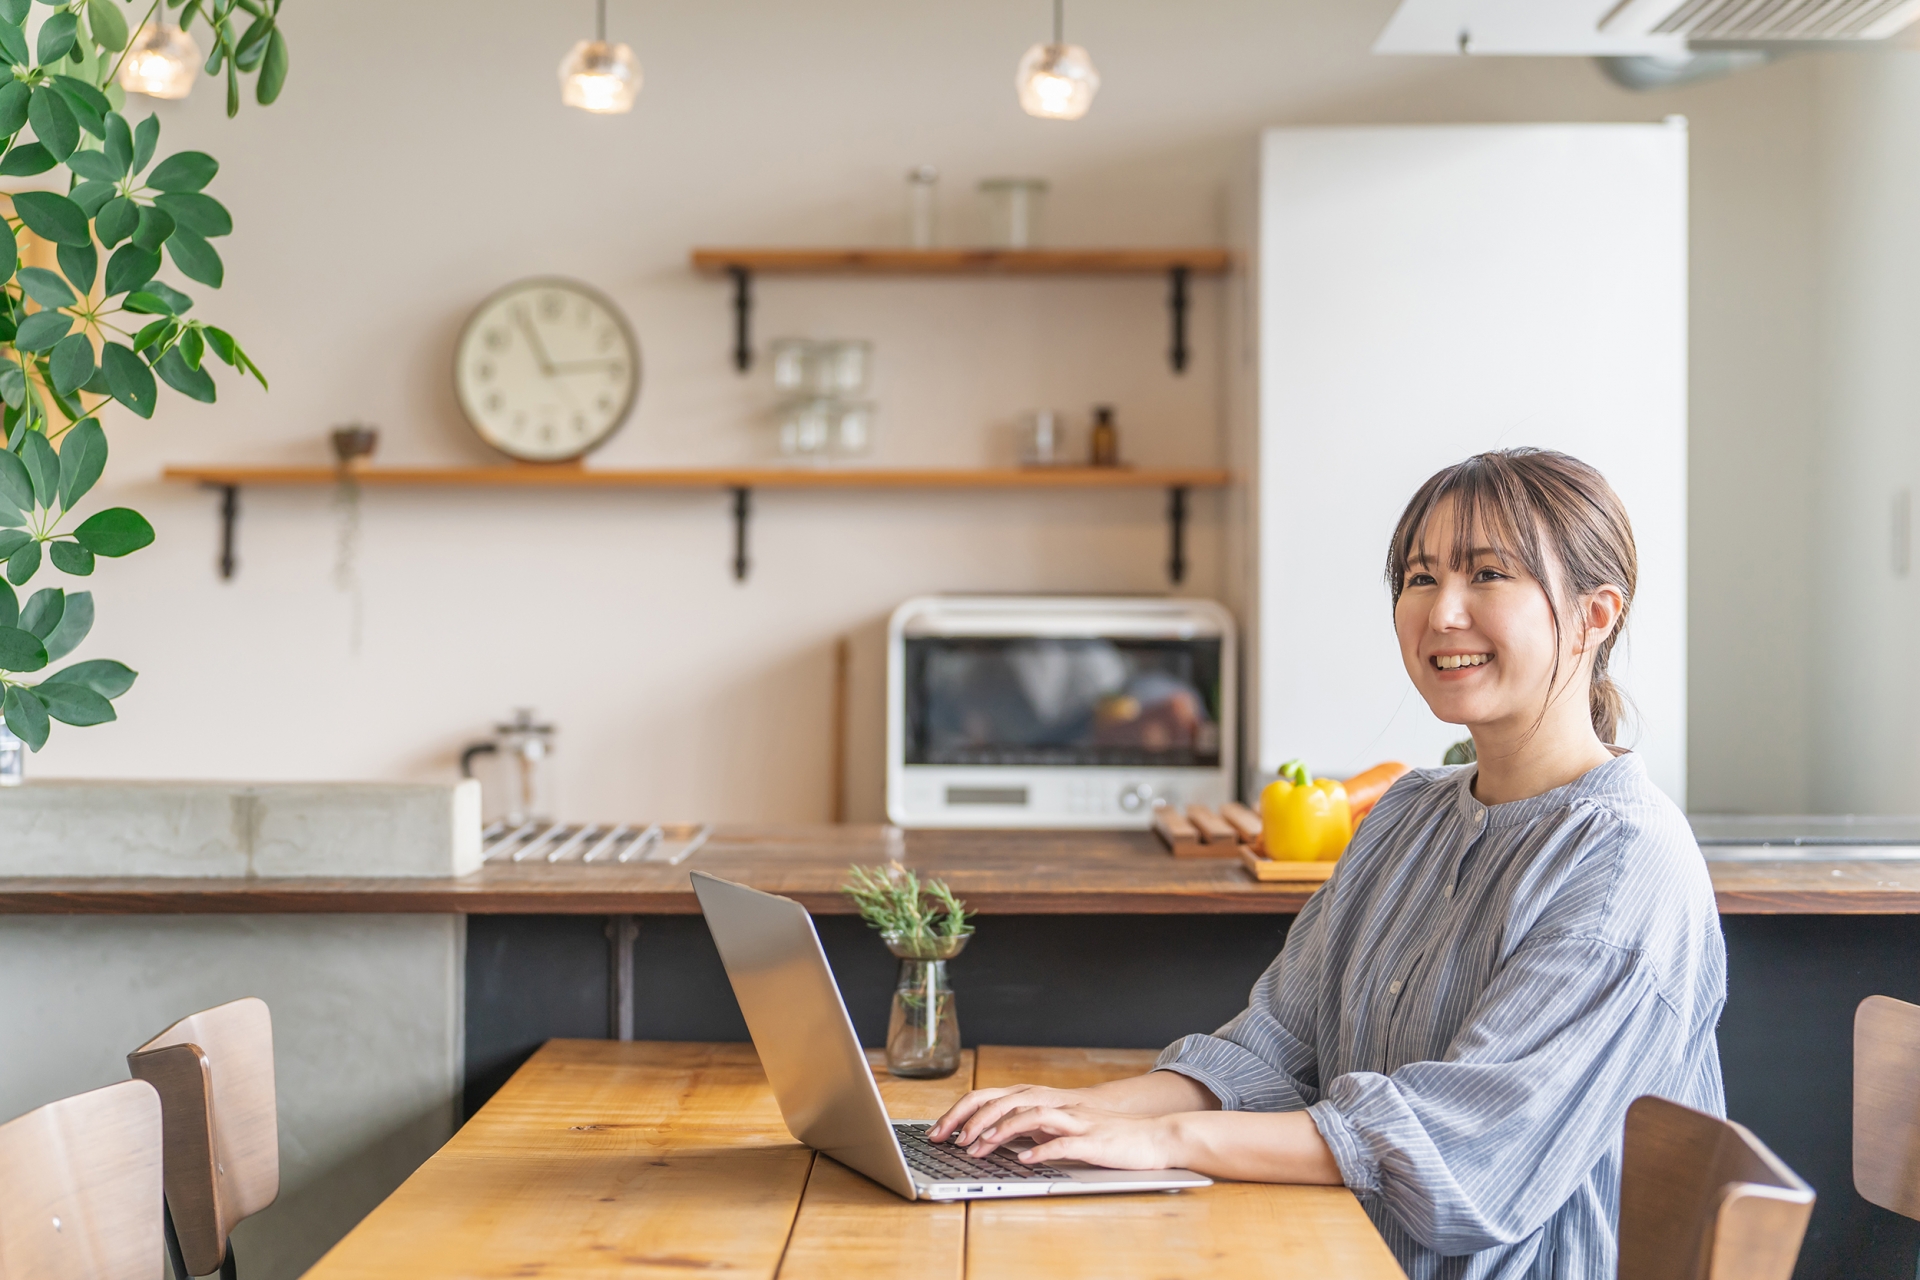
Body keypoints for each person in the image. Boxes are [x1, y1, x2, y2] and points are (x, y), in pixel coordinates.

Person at [929, 448, 1725, 1280]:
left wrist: (1157, 1138)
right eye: (1419, 579)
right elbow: (1276, 1049)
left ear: (1596, 615)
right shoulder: (1409, 815)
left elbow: (1461, 1154)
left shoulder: (1626, 864)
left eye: (1488, 575)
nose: (1442, 612)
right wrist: (1078, 1113)